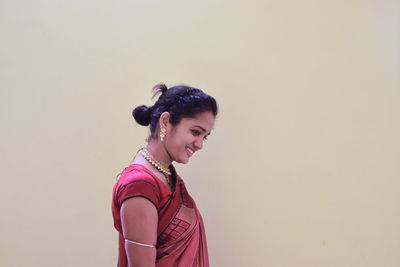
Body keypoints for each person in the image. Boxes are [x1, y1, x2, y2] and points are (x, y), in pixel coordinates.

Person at [111, 83, 218, 267]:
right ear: (165, 121)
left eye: (204, 136)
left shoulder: (166, 175)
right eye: (196, 132)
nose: (200, 144)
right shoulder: (139, 185)